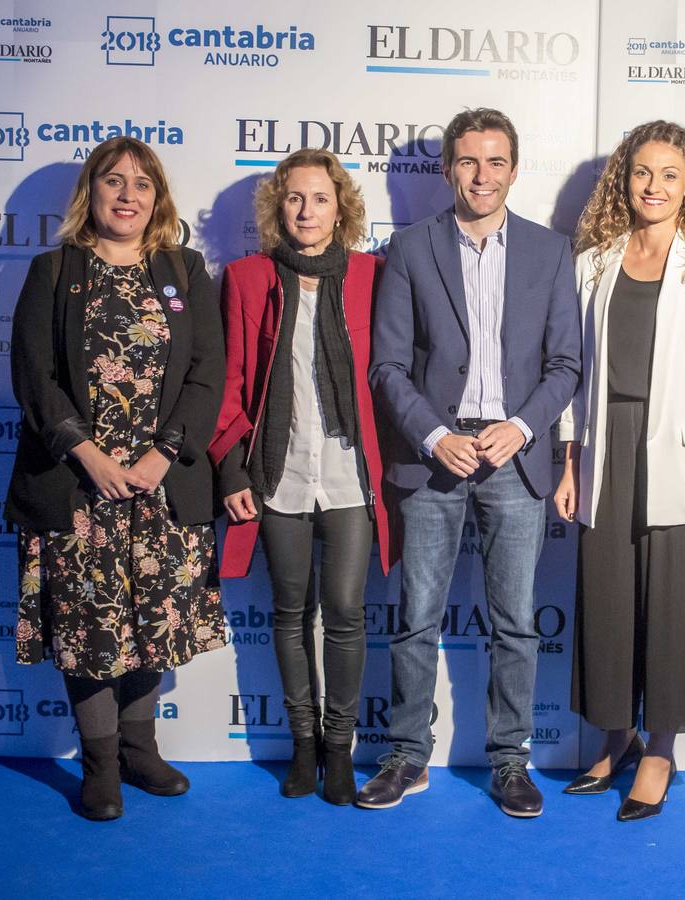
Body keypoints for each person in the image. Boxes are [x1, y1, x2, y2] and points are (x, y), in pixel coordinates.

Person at [359, 107, 581, 817]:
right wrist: (432, 435)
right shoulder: (412, 248)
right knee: (416, 617)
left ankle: (510, 761)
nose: (480, 176)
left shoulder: (551, 253)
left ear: (514, 170)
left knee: (515, 621)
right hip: (433, 459)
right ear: (448, 169)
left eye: (494, 163)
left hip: (514, 459)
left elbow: (566, 364)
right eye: (466, 162)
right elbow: (388, 366)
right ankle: (406, 756)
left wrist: (520, 427)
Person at [6, 136, 226, 821]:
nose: (127, 195)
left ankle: (139, 748)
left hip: (160, 485)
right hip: (80, 486)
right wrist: (88, 454)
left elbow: (207, 374)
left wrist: (163, 453)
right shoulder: (54, 271)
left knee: (152, 623)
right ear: (90, 193)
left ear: (157, 198)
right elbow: (34, 377)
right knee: (90, 629)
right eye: (113, 182)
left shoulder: (184, 270)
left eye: (142, 184)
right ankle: (99, 764)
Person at [555, 121, 685, 821]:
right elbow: (576, 372)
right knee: (607, 603)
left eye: (670, 174)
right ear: (624, 180)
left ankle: (661, 751)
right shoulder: (595, 262)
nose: (655, 187)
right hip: (608, 450)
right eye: (642, 173)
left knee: (673, 608)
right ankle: (615, 739)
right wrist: (571, 459)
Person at [207, 149, 390, 806]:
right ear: (277, 209)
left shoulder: (374, 275)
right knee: (290, 613)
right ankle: (303, 747)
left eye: (319, 198)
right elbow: (229, 385)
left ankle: (339, 750)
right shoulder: (249, 278)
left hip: (349, 473)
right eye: (294, 198)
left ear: (341, 208)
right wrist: (231, 467)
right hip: (276, 473)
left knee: (344, 611)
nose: (307, 211)